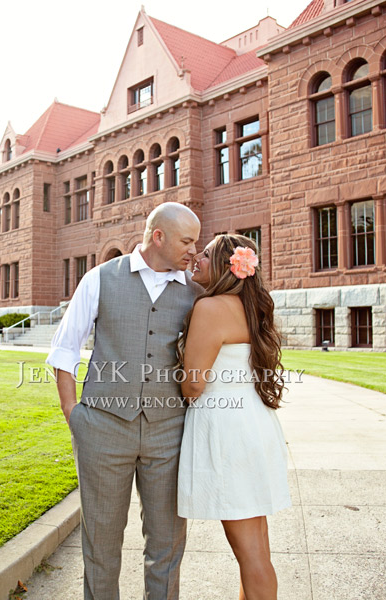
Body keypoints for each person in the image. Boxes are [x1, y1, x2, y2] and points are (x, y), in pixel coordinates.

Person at [47, 202, 203, 600]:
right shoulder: (100, 279)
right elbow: (65, 350)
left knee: (167, 544)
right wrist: (74, 415)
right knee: (101, 544)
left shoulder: (197, 293)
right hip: (102, 429)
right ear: (158, 236)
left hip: (169, 433)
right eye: (187, 241)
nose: (193, 250)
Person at [176, 233, 291, 600]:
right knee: (257, 545)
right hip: (254, 424)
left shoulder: (210, 309)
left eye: (206, 255)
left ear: (228, 267)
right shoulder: (251, 307)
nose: (196, 257)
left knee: (250, 553)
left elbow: (193, 386)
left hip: (227, 432)